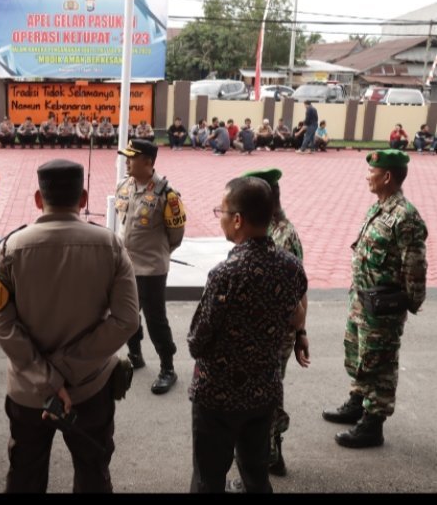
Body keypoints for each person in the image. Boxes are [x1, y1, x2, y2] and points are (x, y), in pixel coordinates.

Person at [0, 159, 139, 493]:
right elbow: (127, 319)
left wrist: (48, 378)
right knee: (92, 473)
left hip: (29, 393)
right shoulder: (111, 245)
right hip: (89, 388)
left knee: (25, 475)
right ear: (83, 198)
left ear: (38, 199)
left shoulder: (9, 249)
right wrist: (66, 370)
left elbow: (0, 324)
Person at [188, 176, 307, 493]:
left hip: (218, 396)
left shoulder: (226, 274)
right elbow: (296, 314)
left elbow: (197, 340)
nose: (221, 218)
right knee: (256, 475)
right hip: (263, 390)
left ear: (238, 220)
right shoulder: (292, 267)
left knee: (208, 478)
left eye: (221, 212)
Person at [322, 149, 427, 448]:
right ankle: (357, 401)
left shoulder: (405, 216)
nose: (368, 176)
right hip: (363, 300)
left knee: (380, 363)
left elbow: (415, 265)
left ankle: (372, 424)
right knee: (359, 354)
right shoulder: (379, 208)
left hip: (384, 307)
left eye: (372, 172)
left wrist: (408, 303)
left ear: (387, 176)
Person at [241, 168, 309, 477]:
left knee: (261, 399)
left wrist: (299, 333)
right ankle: (271, 455)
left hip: (270, 336)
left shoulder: (281, 236)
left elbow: (296, 294)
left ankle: (262, 463)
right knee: (267, 394)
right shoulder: (269, 230)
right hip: (270, 334)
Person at [115, 140, 185, 395]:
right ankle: (135, 354)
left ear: (148, 162)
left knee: (156, 320)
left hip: (152, 269)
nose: (127, 161)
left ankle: (168, 368)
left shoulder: (168, 195)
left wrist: (160, 253)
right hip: (127, 266)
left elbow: (175, 235)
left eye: (132, 158)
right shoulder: (125, 186)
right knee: (128, 315)